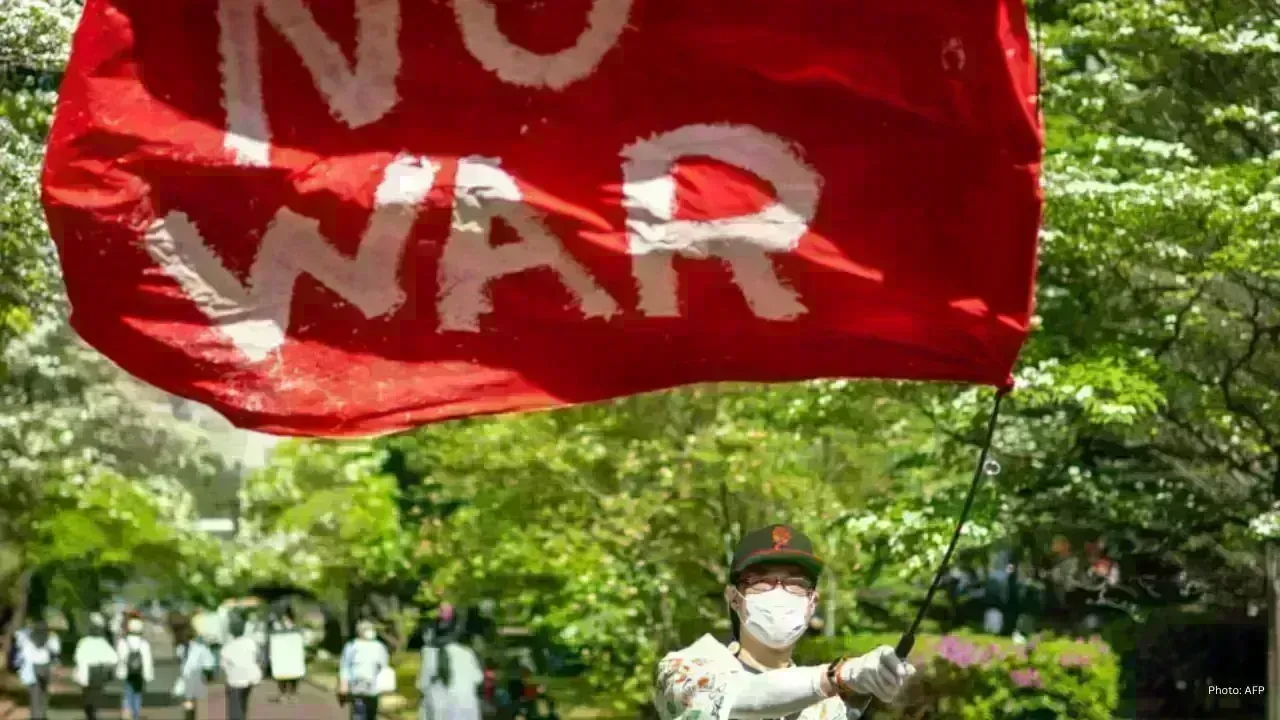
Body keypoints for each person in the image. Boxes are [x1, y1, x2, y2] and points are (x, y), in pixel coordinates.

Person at [654, 524, 916, 720]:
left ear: (812, 603)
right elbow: (744, 698)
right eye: (762, 581)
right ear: (734, 598)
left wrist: (875, 682)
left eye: (795, 583)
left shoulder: (827, 708)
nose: (778, 593)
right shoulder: (685, 670)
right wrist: (840, 676)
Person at [418, 611, 484, 720]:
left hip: (439, 712)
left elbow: (422, 685)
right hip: (466, 711)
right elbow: (478, 679)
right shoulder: (467, 653)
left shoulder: (429, 654)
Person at [340, 620, 391, 720]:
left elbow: (384, 666)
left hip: (373, 688)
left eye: (370, 629)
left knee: (371, 714)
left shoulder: (379, 647)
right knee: (358, 714)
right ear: (359, 632)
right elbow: (345, 666)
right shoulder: (352, 646)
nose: (369, 631)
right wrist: (343, 684)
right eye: (366, 629)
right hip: (357, 686)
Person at [74, 613, 119, 720]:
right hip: (98, 671)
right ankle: (93, 712)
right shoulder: (103, 642)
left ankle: (89, 712)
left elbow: (77, 657)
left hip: (86, 671)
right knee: (96, 694)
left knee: (86, 694)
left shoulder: (84, 642)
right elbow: (114, 658)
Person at [220, 613, 264, 720]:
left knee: (234, 708)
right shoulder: (250, 643)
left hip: (235, 680)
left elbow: (223, 665)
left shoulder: (227, 647)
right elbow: (259, 658)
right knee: (243, 703)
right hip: (249, 678)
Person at [15, 619, 61, 720]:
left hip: (33, 668)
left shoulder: (28, 638)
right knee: (44, 692)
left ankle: (35, 716)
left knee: (34, 694)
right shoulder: (51, 638)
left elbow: (24, 653)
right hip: (45, 667)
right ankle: (42, 713)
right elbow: (56, 652)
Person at [173, 619, 218, 720]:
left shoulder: (182, 648)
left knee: (189, 701)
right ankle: (190, 714)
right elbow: (209, 662)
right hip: (193, 676)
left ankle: (189, 714)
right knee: (190, 702)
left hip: (190, 677)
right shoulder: (197, 648)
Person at [116, 615, 154, 720]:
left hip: (127, 672)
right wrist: (148, 675)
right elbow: (147, 661)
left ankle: (127, 712)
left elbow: (120, 658)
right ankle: (135, 715)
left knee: (127, 693)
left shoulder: (123, 642)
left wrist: (120, 670)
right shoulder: (144, 644)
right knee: (137, 694)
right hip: (140, 673)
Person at [267, 609, 306, 703]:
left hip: (293, 657)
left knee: (294, 677)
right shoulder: (277, 630)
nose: (285, 621)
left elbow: (301, 641)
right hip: (282, 658)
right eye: (283, 619)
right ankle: (283, 694)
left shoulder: (297, 630)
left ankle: (293, 694)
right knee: (281, 677)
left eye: (287, 619)